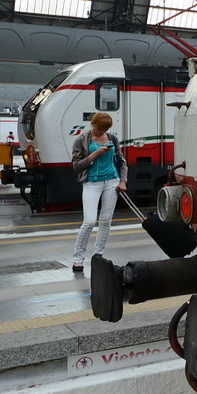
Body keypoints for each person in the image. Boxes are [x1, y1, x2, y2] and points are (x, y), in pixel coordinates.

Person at [70, 112, 126, 273]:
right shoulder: (81, 140)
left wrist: (122, 181)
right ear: (93, 123)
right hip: (91, 182)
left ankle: (98, 255)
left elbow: (121, 161)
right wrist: (96, 153)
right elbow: (76, 165)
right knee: (89, 221)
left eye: (106, 129)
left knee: (106, 220)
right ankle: (78, 259)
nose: (103, 132)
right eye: (101, 128)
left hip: (112, 181)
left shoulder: (112, 139)